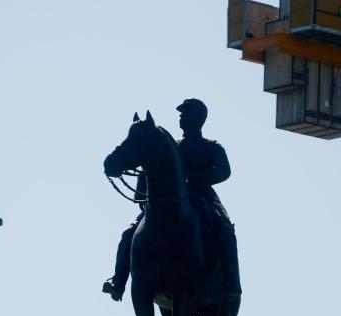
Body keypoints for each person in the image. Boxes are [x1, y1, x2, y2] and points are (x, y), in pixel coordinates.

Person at [102, 98, 241, 302]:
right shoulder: (170, 145)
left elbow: (223, 171)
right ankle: (118, 281)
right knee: (129, 232)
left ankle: (231, 282)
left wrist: (193, 178)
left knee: (224, 228)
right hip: (165, 200)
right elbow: (148, 164)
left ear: (198, 119)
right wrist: (142, 191)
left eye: (186, 114)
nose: (182, 117)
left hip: (202, 196)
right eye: (181, 114)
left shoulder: (211, 146)